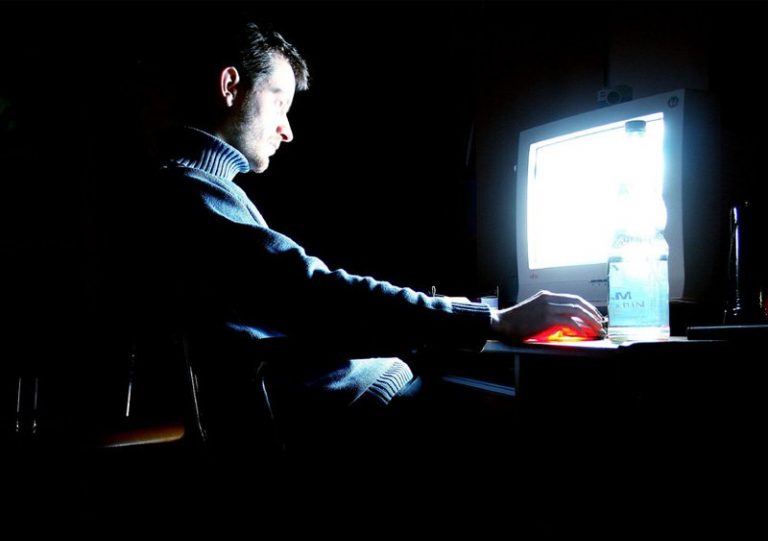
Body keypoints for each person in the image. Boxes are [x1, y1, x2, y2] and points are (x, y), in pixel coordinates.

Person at [113, 19, 606, 461]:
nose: (287, 130)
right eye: (280, 103)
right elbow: (318, 296)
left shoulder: (186, 191)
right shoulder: (191, 196)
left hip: (324, 406)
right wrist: (491, 320)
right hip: (330, 419)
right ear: (230, 87)